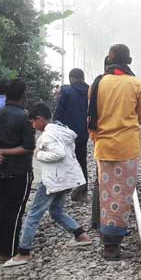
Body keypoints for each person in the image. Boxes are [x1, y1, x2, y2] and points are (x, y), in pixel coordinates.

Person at [3, 104, 91, 267]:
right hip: (64, 176)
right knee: (56, 211)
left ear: (40, 119)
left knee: (34, 214)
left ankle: (23, 252)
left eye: (33, 122)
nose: (33, 126)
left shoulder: (49, 135)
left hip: (53, 179)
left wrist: (39, 154)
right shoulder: (61, 130)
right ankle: (81, 235)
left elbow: (59, 153)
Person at [88, 44, 141, 259]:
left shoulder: (97, 84)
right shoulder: (137, 84)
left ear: (109, 59)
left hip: (103, 146)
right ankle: (115, 239)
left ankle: (107, 239)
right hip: (128, 147)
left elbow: (91, 116)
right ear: (128, 61)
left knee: (106, 192)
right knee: (122, 195)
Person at [0, 78, 35, 264]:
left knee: (2, 209)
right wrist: (3, 152)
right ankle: (9, 253)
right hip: (19, 170)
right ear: (23, 95)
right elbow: (28, 147)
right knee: (16, 211)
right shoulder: (25, 117)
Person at [55, 68, 90, 202]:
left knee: (67, 160)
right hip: (83, 133)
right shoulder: (90, 91)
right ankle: (82, 191)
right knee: (82, 160)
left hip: (67, 134)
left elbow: (58, 113)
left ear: (71, 78)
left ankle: (66, 190)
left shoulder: (67, 91)